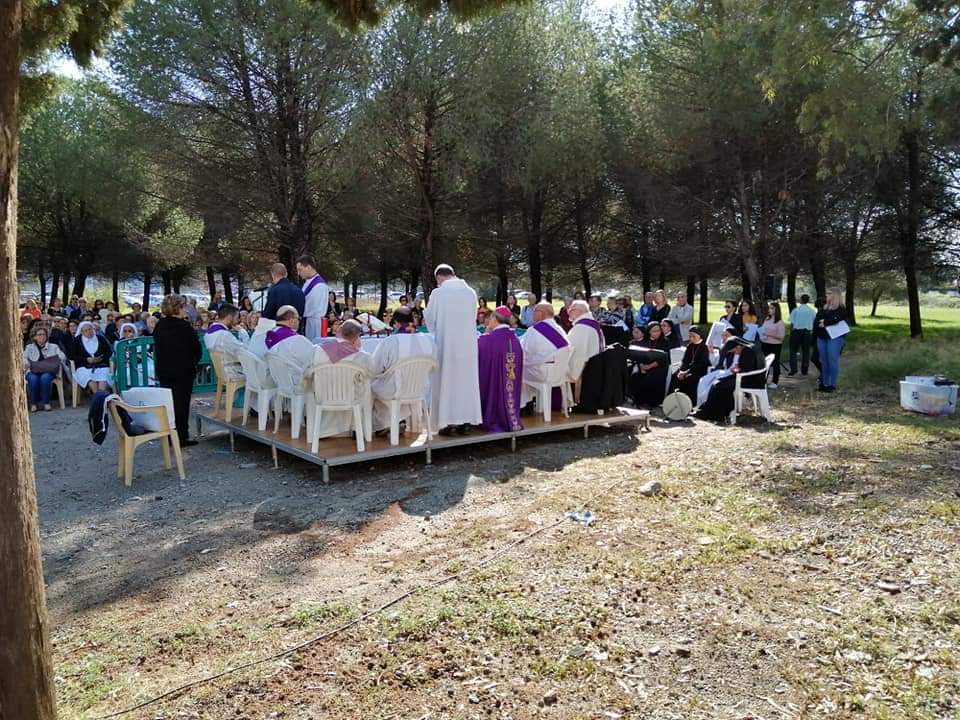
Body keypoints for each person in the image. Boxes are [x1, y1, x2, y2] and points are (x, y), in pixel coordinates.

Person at [423, 264, 482, 435]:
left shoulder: (438, 293)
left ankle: (448, 423)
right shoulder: (470, 292)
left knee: (447, 382)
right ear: (454, 274)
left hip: (447, 345)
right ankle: (466, 421)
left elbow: (431, 321)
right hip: (468, 347)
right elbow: (472, 318)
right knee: (465, 383)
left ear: (439, 278)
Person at [369, 306, 436, 434]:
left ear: (397, 323)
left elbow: (375, 367)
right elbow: (433, 365)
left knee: (372, 385)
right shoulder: (428, 340)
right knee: (388, 383)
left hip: (395, 390)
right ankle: (400, 420)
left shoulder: (391, 341)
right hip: (420, 388)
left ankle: (386, 424)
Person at [304, 319, 371, 440]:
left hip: (321, 396)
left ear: (340, 331)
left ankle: (325, 429)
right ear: (357, 337)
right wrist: (360, 348)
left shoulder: (318, 349)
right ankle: (355, 427)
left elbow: (306, 371)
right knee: (366, 388)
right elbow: (371, 374)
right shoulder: (361, 356)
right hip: (349, 398)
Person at [152, 294, 202, 446]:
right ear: (177, 308)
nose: (185, 309)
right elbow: (196, 348)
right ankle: (181, 436)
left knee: (168, 404)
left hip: (165, 370)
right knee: (181, 404)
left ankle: (168, 435)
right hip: (183, 371)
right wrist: (193, 362)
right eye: (183, 306)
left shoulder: (160, 325)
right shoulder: (184, 326)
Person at [477, 306, 524, 433]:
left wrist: (486, 333)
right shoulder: (514, 338)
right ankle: (512, 420)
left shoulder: (488, 339)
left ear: (494, 318)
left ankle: (494, 417)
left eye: (490, 317)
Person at [696, 336, 765, 421]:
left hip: (751, 380)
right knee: (717, 384)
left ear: (738, 346)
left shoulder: (748, 351)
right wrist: (737, 369)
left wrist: (737, 370)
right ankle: (709, 412)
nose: (735, 353)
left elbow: (747, 370)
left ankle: (715, 414)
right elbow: (745, 367)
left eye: (734, 351)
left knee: (719, 385)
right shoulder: (747, 348)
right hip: (746, 377)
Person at [520, 302, 569, 408]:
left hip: (543, 373)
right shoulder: (560, 329)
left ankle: (522, 405)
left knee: (516, 370)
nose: (533, 314)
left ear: (541, 313)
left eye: (534, 311)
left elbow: (523, 352)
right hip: (560, 372)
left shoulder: (535, 330)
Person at [628, 321, 671, 407]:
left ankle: (652, 402)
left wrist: (649, 367)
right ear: (649, 332)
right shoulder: (645, 341)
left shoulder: (664, 341)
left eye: (658, 331)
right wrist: (642, 366)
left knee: (652, 377)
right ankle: (638, 400)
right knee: (635, 376)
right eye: (654, 331)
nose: (656, 333)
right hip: (644, 365)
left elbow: (663, 358)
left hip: (659, 366)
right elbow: (639, 355)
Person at [24, 326, 65, 411]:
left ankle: (46, 403)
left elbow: (62, 356)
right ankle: (34, 404)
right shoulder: (29, 347)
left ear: (47, 336)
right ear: (34, 337)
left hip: (48, 370)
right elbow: (23, 358)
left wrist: (55, 358)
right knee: (33, 378)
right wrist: (26, 363)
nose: (42, 336)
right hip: (33, 370)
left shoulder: (54, 346)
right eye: (39, 335)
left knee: (45, 377)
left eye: (44, 334)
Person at [814, 288, 848, 393]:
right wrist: (824, 322)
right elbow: (817, 321)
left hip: (835, 337)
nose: (826, 295)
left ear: (835, 295)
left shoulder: (841, 308)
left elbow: (836, 319)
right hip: (822, 337)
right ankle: (824, 383)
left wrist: (825, 322)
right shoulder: (824, 308)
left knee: (832, 360)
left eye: (828, 293)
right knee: (824, 361)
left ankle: (832, 384)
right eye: (826, 293)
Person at [266, 305, 316, 373]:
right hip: (297, 379)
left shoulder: (267, 335)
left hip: (277, 378)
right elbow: (314, 357)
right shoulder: (295, 339)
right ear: (291, 321)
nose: (299, 322)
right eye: (298, 319)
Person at [669, 326, 711, 405]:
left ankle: (688, 403)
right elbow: (685, 361)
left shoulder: (705, 347)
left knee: (690, 379)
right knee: (674, 376)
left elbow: (702, 363)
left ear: (700, 335)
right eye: (690, 336)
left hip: (699, 371)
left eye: (693, 336)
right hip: (687, 369)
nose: (691, 338)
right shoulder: (690, 346)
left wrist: (686, 372)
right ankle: (673, 400)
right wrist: (681, 371)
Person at [566, 299, 605, 385]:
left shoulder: (581, 328)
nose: (568, 311)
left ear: (578, 311)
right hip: (596, 370)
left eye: (570, 309)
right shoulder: (593, 325)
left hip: (584, 375)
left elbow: (574, 354)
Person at [204, 304, 246, 380]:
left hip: (221, 372)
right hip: (232, 372)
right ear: (230, 317)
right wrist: (243, 332)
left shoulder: (207, 333)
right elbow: (243, 352)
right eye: (237, 317)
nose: (238, 320)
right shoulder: (224, 335)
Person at [70, 321, 113, 395]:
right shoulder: (77, 340)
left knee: (104, 373)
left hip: (101, 365)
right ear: (82, 332)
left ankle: (100, 397)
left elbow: (108, 352)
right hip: (84, 367)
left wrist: (99, 359)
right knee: (87, 375)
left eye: (90, 329)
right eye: (85, 330)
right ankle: (99, 397)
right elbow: (71, 355)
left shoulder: (100, 338)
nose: (88, 332)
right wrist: (86, 360)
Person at [296, 254, 329, 341]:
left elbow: (314, 308)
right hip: (308, 321)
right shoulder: (308, 282)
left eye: (300, 270)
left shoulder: (320, 285)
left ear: (309, 267)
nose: (298, 273)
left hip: (315, 323)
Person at [788, 294, 816, 376]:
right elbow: (814, 323)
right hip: (807, 332)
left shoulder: (796, 310)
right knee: (806, 351)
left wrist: (790, 333)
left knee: (793, 350)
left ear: (801, 300)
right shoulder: (812, 311)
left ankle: (793, 369)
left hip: (796, 332)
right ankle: (804, 370)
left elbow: (792, 323)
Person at [759, 301, 786, 388]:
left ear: (776, 310)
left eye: (772, 308)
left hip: (775, 345)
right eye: (769, 308)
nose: (769, 310)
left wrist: (768, 334)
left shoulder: (780, 322)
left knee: (775, 363)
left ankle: (775, 381)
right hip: (765, 343)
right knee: (764, 363)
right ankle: (763, 380)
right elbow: (763, 329)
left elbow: (781, 337)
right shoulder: (767, 319)